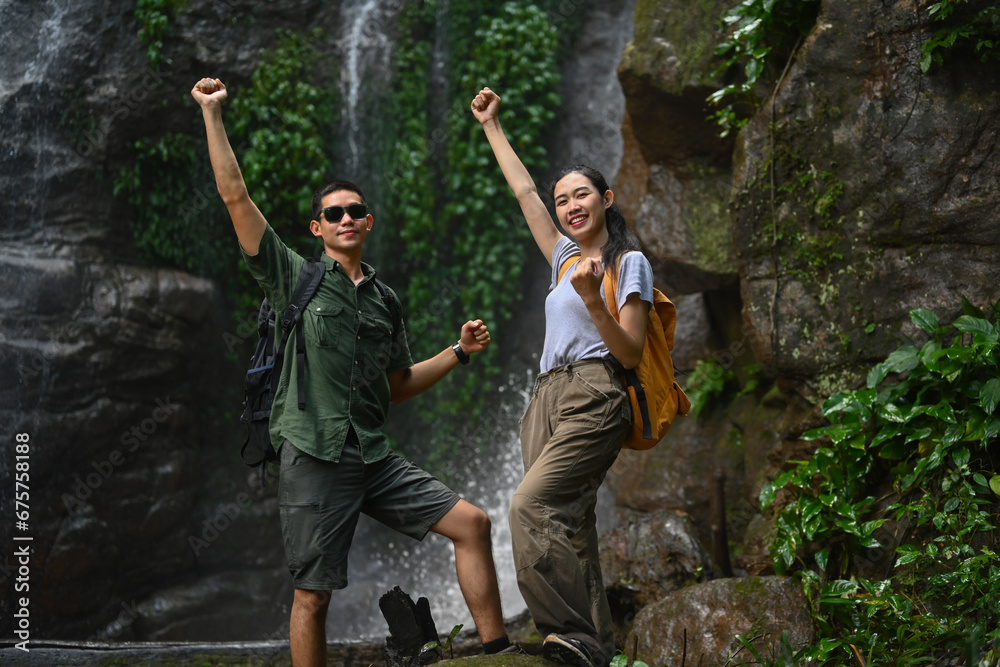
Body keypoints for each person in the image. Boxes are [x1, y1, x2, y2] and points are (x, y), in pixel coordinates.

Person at [191, 77, 522, 666]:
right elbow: (236, 197)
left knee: (472, 523)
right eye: (333, 213)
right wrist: (213, 115)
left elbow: (395, 388)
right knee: (312, 596)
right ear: (317, 228)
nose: (346, 218)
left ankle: (499, 654)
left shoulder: (384, 301)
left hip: (373, 454)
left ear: (368, 223)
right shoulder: (294, 277)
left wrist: (458, 352)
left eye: (355, 211)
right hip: (314, 455)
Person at [471, 87, 653, 667]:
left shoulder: (629, 263)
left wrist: (593, 301)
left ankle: (563, 630)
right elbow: (524, 191)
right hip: (545, 396)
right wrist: (492, 126)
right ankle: (597, 644)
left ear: (607, 198)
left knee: (530, 507)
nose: (571, 206)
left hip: (595, 391)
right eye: (563, 200)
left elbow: (628, 353)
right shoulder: (562, 257)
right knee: (570, 522)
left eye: (582, 195)